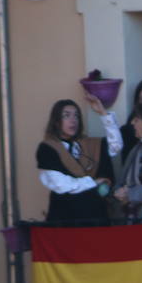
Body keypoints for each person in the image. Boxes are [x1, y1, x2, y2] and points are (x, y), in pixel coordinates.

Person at [35, 94, 122, 223]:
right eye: (66, 115)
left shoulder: (90, 144)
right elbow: (60, 184)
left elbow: (116, 146)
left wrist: (103, 113)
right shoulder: (47, 148)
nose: (73, 120)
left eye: (76, 115)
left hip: (94, 217)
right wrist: (93, 183)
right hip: (64, 219)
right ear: (56, 121)